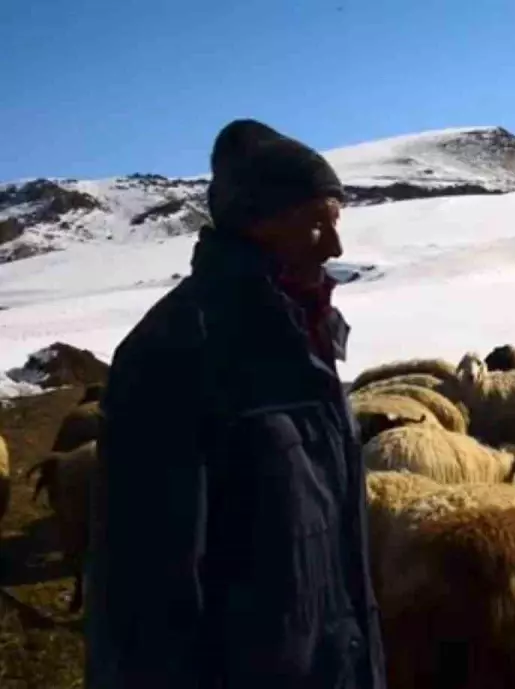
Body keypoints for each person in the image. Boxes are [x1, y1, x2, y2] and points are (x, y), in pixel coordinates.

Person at [85, 119, 386, 688]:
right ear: (258, 223)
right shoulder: (178, 351)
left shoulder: (308, 339)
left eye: (337, 221)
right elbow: (144, 596)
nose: (337, 245)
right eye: (315, 223)